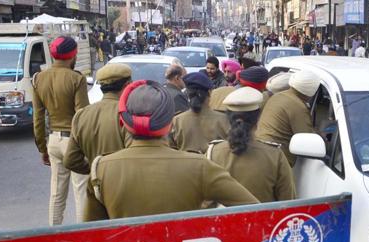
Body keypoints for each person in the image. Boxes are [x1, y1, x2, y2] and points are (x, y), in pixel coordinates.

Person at [84, 80, 258, 221]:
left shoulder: (101, 169)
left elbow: (87, 236)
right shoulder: (199, 166)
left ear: (124, 122)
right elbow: (257, 211)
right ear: (169, 123)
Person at [32, 36, 90, 225]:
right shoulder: (76, 79)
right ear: (73, 55)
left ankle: (53, 233)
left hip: (54, 142)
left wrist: (42, 148)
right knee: (81, 191)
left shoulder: (39, 78)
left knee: (57, 192)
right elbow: (81, 115)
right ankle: (82, 236)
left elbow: (38, 118)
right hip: (74, 142)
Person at [207, 87, 296, 202]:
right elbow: (287, 201)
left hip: (223, 220)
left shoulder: (212, 153)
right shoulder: (275, 155)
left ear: (228, 118)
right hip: (265, 219)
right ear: (257, 118)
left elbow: (205, 201)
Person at [63, 63, 132, 175]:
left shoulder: (81, 115)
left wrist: (96, 171)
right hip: (125, 185)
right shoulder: (129, 114)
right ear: (128, 85)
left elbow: (70, 161)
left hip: (96, 188)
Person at [255, 70, 320, 165]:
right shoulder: (298, 106)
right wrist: (322, 137)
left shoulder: (277, 96)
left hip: (259, 150)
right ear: (311, 91)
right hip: (276, 159)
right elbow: (306, 138)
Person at [170, 72, 230, 153]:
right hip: (215, 165)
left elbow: (171, 150)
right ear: (209, 92)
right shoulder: (224, 120)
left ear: (188, 94)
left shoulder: (176, 121)